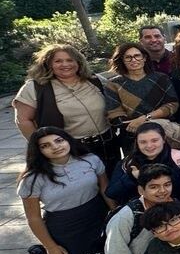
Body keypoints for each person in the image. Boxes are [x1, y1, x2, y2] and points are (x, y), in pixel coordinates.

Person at [19, 127, 115, 254]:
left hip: (96, 214)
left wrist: (115, 212)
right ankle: (45, 253)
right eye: (46, 145)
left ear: (68, 140)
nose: (55, 147)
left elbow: (105, 189)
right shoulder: (32, 179)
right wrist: (50, 247)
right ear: (38, 151)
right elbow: (33, 218)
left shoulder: (90, 159)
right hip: (64, 225)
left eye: (59, 140)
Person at [14, 44, 118, 172]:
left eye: (70, 60)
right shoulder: (35, 87)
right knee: (85, 188)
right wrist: (41, 146)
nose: (65, 64)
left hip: (107, 143)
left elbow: (117, 98)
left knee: (112, 185)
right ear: (48, 64)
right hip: (69, 149)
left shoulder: (94, 80)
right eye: (58, 61)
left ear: (78, 62)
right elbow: (23, 120)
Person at [106, 121, 180, 203]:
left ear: (164, 139)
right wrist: (131, 177)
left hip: (178, 213)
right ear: (137, 142)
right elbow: (112, 193)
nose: (149, 146)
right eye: (143, 142)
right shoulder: (127, 163)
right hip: (145, 216)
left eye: (154, 140)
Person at [104, 42, 180, 140]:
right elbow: (114, 114)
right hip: (133, 136)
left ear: (144, 58)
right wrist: (137, 125)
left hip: (165, 132)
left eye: (137, 56)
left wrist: (145, 118)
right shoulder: (113, 84)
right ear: (122, 60)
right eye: (128, 57)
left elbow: (172, 105)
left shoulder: (161, 78)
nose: (134, 60)